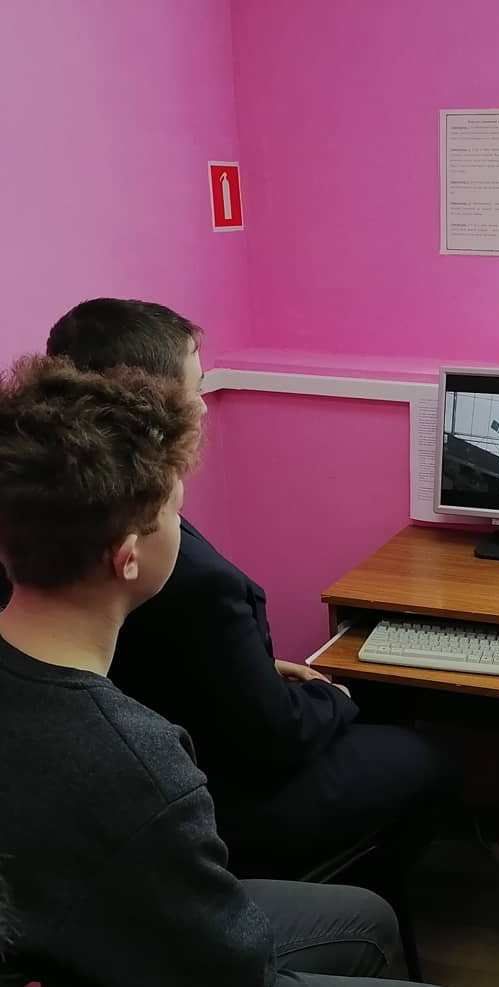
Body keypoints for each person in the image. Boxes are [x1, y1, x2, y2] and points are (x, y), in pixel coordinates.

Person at [0, 356, 419, 986]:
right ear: (128, 557)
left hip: (70, 923)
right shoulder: (140, 763)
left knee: (367, 916)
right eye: (174, 512)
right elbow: (238, 969)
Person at [47, 298, 454, 881]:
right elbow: (274, 741)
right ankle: (350, 909)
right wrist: (335, 698)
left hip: (158, 776)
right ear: (150, 408)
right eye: (193, 390)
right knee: (423, 753)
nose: (203, 406)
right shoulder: (189, 577)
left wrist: (255, 670)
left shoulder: (52, 522)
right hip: (223, 802)